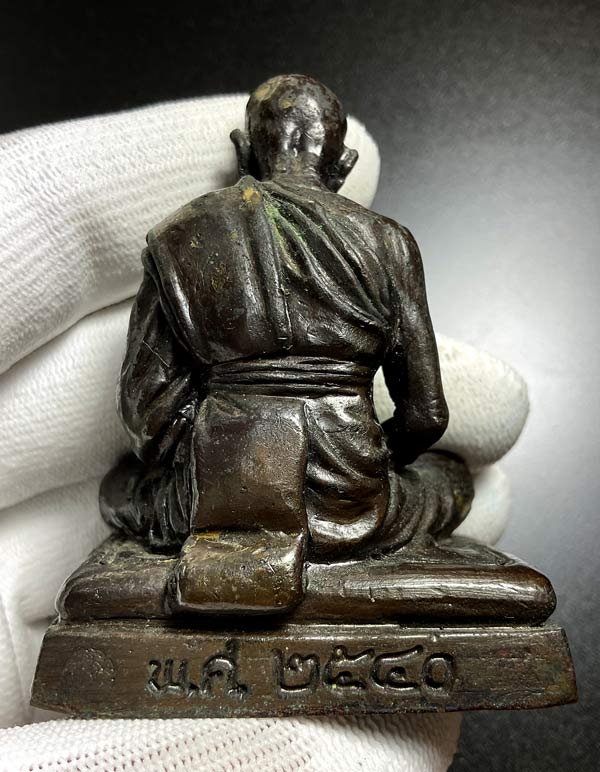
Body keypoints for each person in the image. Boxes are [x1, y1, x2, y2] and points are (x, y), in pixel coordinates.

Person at [100, 75, 472, 613]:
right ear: (344, 166)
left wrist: (216, 455)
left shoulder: (181, 235)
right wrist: (368, 457)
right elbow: (426, 417)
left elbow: (145, 415)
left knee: (117, 490)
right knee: (452, 479)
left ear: (243, 151)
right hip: (351, 504)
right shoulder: (388, 241)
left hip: (211, 499)